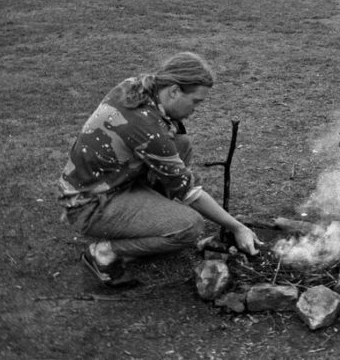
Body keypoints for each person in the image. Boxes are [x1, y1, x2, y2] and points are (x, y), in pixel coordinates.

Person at [59, 52, 261, 288]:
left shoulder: (136, 88)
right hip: (89, 206)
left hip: (106, 182)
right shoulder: (146, 127)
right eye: (195, 101)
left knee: (181, 144)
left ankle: (154, 219)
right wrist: (237, 227)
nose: (195, 109)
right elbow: (190, 192)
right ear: (174, 91)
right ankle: (103, 252)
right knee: (190, 226)